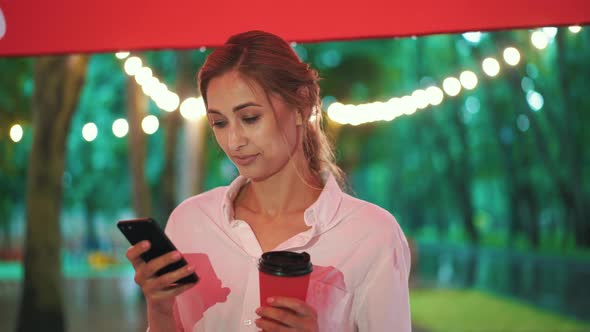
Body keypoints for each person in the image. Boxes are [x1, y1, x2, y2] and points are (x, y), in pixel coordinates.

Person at [125, 30, 412, 332]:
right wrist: (160, 309)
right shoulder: (190, 222)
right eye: (219, 123)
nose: (233, 141)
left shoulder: (372, 236)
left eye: (249, 118)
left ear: (302, 104)